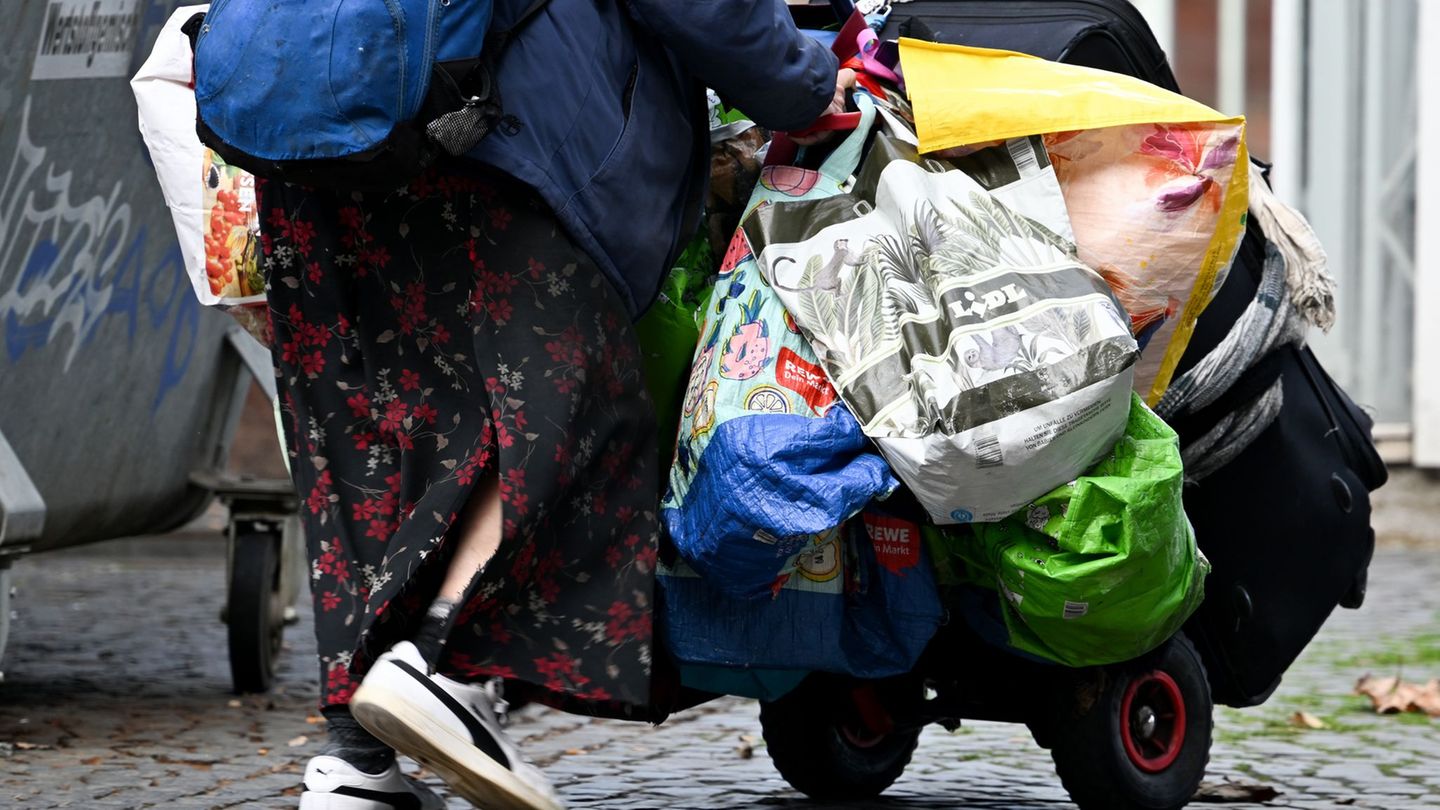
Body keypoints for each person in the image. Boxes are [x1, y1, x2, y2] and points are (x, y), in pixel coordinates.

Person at [255, 1, 850, 808]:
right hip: (489, 123)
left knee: (371, 430)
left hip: (309, 124)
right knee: (573, 410)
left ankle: (359, 765)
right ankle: (440, 665)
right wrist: (804, 85)